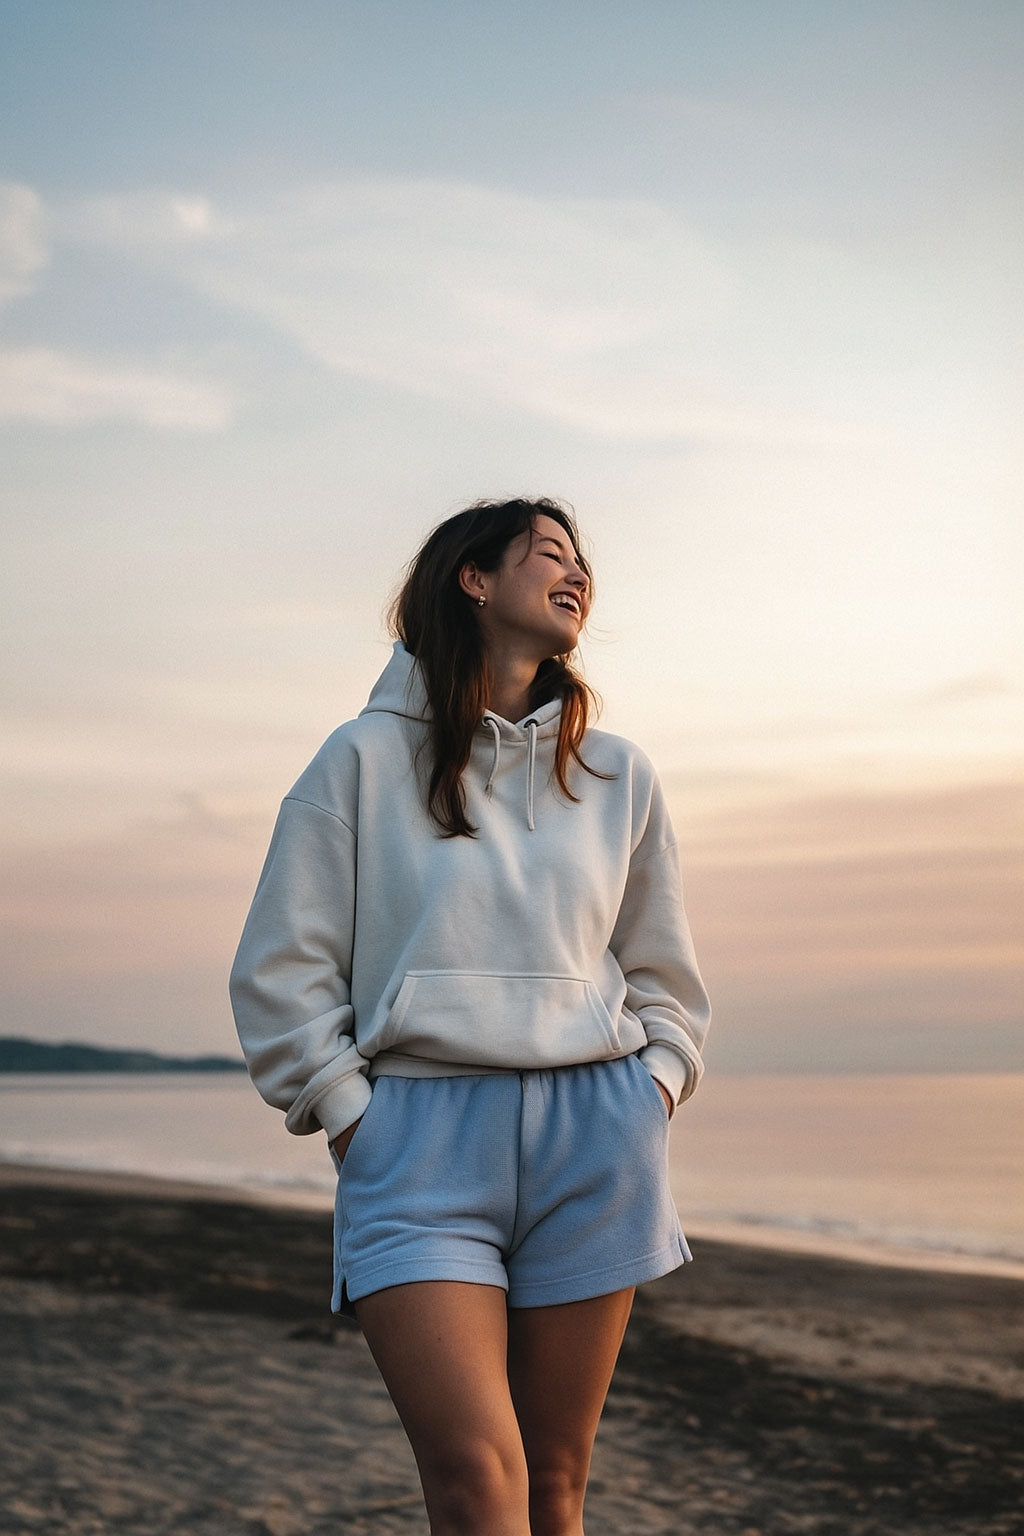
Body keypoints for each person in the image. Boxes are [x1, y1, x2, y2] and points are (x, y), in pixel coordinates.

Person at [229, 498, 710, 1536]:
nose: (575, 571)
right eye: (547, 553)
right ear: (473, 580)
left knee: (553, 1484)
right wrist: (353, 1114)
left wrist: (652, 1089)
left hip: (596, 1139)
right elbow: (280, 971)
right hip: (419, 1143)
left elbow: (665, 973)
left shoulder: (619, 774)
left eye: (583, 560)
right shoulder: (356, 762)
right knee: (471, 1476)